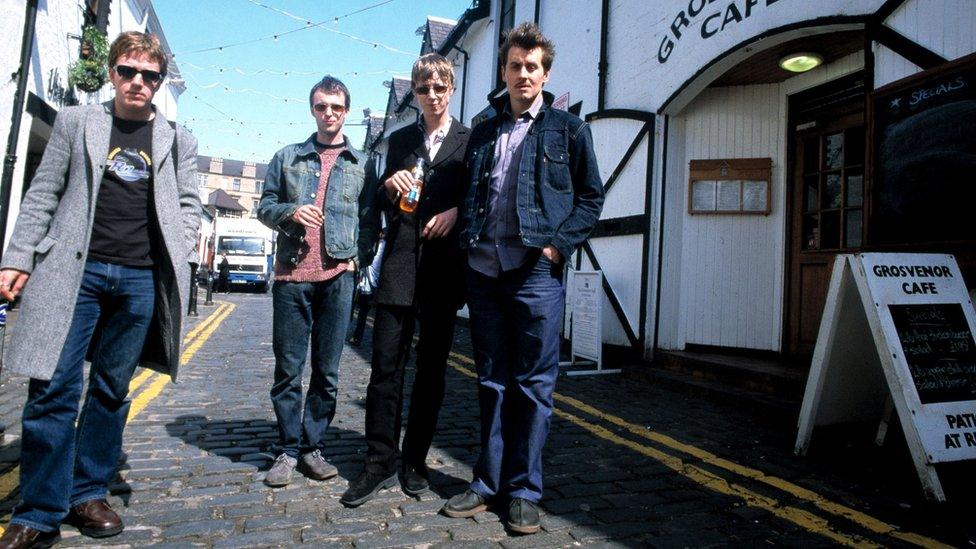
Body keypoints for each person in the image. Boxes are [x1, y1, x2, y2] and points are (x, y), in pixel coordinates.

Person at [0, 31, 200, 547]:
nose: (137, 82)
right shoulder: (75, 122)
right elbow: (44, 193)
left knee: (111, 392)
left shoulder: (178, 140)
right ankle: (38, 510)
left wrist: (181, 249)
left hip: (139, 278)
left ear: (159, 83)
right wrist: (19, 257)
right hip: (74, 272)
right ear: (112, 72)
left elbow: (188, 206)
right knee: (53, 389)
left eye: (149, 75)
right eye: (127, 71)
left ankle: (87, 493)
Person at [442, 23, 604, 534]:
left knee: (534, 385)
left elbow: (590, 198)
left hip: (536, 272)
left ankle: (523, 491)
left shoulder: (568, 129)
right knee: (490, 380)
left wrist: (557, 246)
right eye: (515, 66)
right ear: (505, 72)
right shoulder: (485, 130)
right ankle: (486, 483)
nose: (523, 74)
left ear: (545, 73)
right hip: (484, 270)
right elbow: (470, 191)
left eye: (532, 66)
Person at [340, 53, 470, 507]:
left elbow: (477, 201)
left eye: (439, 88)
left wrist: (456, 212)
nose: (431, 96)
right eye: (423, 89)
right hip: (397, 267)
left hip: (442, 274)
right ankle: (378, 462)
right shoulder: (398, 142)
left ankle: (414, 462)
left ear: (450, 89)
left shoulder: (468, 141)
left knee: (431, 373)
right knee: (385, 369)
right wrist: (387, 186)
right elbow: (376, 201)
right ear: (414, 95)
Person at [257, 75, 377, 487]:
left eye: (337, 107)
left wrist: (357, 262)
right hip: (292, 275)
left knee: (327, 372)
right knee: (288, 371)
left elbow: (369, 221)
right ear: (312, 109)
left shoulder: (362, 163)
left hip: (337, 278)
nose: (329, 114)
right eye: (322, 106)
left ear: (346, 112)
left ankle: (313, 448)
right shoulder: (287, 157)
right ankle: (287, 451)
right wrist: (291, 211)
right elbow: (265, 206)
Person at [347, 230, 385, 347]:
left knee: (374, 314)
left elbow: (375, 264)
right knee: (362, 312)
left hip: (376, 284)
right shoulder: (375, 243)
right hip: (367, 284)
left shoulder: (383, 245)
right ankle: (358, 337)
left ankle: (375, 340)